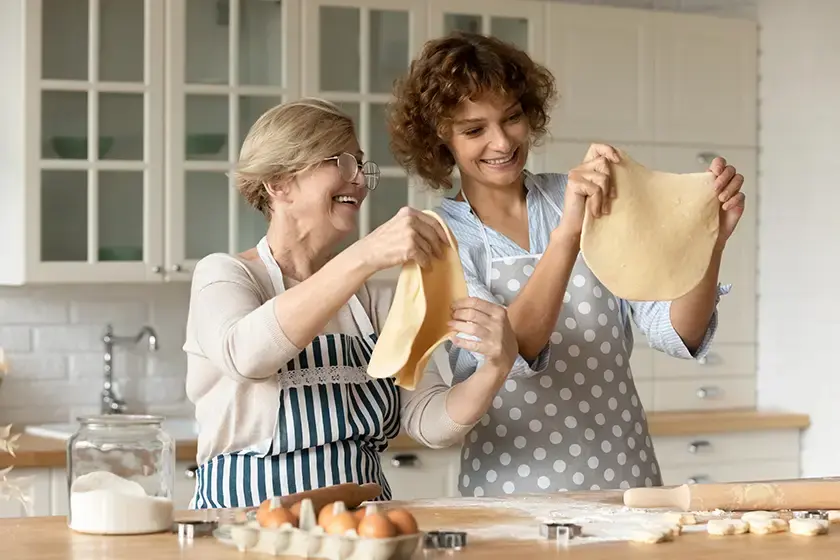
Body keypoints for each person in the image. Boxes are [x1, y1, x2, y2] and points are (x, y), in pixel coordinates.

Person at [387, 32, 745, 497]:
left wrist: (708, 242)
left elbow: (675, 332)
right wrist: (568, 234)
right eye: (474, 129)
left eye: (511, 118)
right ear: (441, 136)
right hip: (512, 492)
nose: (501, 141)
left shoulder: (588, 195)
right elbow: (512, 352)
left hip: (626, 479)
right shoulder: (439, 241)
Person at [183, 98, 520, 509]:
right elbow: (247, 356)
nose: (359, 180)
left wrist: (497, 366)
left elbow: (429, 421)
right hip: (246, 527)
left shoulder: (373, 299)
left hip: (364, 528)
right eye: (341, 163)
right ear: (279, 183)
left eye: (361, 165)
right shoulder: (225, 276)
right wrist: (365, 255)